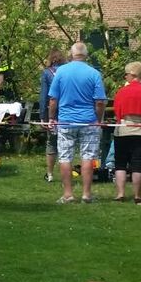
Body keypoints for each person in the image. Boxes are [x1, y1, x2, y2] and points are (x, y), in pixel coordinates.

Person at [48, 42, 106, 204]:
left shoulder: (60, 72)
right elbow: (100, 101)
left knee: (65, 157)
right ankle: (87, 194)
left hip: (66, 121)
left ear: (71, 54)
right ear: (86, 55)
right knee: (87, 157)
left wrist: (52, 118)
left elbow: (53, 99)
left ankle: (68, 194)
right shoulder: (94, 73)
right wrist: (98, 120)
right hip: (88, 121)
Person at [111, 61, 141, 203]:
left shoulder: (122, 92)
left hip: (124, 129)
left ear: (132, 75)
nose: (125, 77)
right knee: (138, 163)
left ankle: (120, 193)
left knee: (120, 162)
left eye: (126, 75)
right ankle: (137, 195)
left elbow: (117, 113)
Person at [40, 48, 65, 183]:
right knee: (66, 144)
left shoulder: (46, 73)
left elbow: (44, 96)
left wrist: (43, 117)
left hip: (53, 112)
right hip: (67, 112)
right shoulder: (67, 72)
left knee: (51, 143)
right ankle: (65, 174)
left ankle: (50, 174)